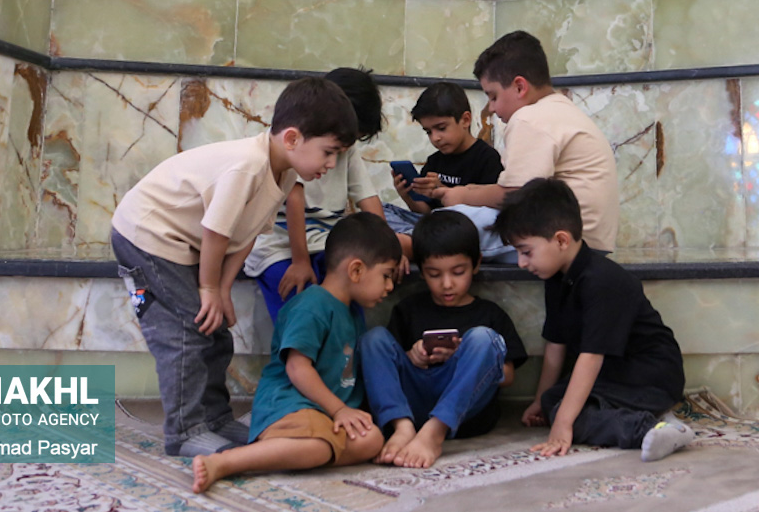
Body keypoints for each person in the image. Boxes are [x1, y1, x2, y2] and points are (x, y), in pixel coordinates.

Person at [111, 77, 358, 457]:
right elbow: (216, 231)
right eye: (329, 152)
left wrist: (223, 289)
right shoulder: (248, 166)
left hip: (183, 244)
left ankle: (215, 419)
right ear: (292, 138)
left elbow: (245, 236)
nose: (332, 164)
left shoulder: (284, 173)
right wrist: (209, 289)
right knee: (190, 330)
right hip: (148, 236)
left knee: (217, 331)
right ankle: (185, 431)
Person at [192, 212, 402, 493]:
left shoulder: (351, 312)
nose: (390, 286)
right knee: (318, 446)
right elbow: (297, 368)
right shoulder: (312, 306)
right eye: (386, 276)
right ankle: (226, 462)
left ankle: (297, 452)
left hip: (323, 414)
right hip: (291, 404)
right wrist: (339, 409)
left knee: (372, 439)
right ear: (356, 270)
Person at [493, 178, 695, 462]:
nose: (521, 263)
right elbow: (555, 343)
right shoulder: (557, 278)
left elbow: (591, 357)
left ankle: (653, 429)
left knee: (569, 417)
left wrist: (563, 424)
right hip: (614, 373)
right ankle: (653, 417)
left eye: (526, 252)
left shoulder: (602, 281)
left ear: (561, 240)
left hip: (649, 375)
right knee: (553, 401)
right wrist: (540, 400)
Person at [359, 211, 527, 468]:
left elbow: (507, 376)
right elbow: (389, 369)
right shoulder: (409, 310)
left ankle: (434, 432)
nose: (447, 284)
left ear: (476, 264)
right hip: (414, 404)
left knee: (482, 338)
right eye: (434, 274)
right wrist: (411, 357)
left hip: (465, 412)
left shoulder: (489, 314)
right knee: (373, 339)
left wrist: (461, 359)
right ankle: (401, 427)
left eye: (458, 272)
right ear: (422, 271)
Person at [438, 30, 620, 252]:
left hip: (560, 241)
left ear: (519, 87)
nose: (491, 108)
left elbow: (516, 194)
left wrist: (461, 195)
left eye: (493, 96)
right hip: (585, 240)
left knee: (445, 226)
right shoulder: (559, 110)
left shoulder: (530, 119)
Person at [246, 67, 405, 321]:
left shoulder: (347, 150)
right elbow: (294, 198)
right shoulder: (297, 140)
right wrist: (300, 262)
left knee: (352, 286)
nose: (338, 154)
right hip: (281, 245)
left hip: (327, 243)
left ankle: (345, 344)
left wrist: (388, 252)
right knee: (302, 305)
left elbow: (368, 198)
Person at [383, 81, 509, 260]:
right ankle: (414, 239)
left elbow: (487, 215)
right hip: (433, 227)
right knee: (381, 211)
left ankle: (411, 242)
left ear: (465, 120)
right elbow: (426, 214)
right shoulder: (434, 161)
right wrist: (408, 195)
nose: (435, 138)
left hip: (464, 230)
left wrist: (443, 191)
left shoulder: (487, 158)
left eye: (441, 128)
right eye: (428, 132)